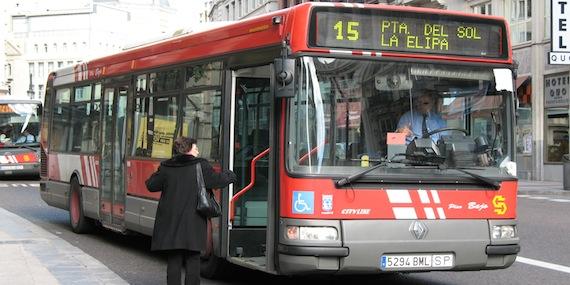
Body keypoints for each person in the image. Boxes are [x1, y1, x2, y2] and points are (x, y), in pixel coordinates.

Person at [146, 137, 237, 285]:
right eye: (195, 148)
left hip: (171, 221)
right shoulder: (200, 165)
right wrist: (230, 175)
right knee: (193, 259)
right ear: (188, 149)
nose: (198, 150)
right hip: (193, 220)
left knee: (174, 259)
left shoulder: (167, 166)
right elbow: (216, 180)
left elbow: (151, 185)